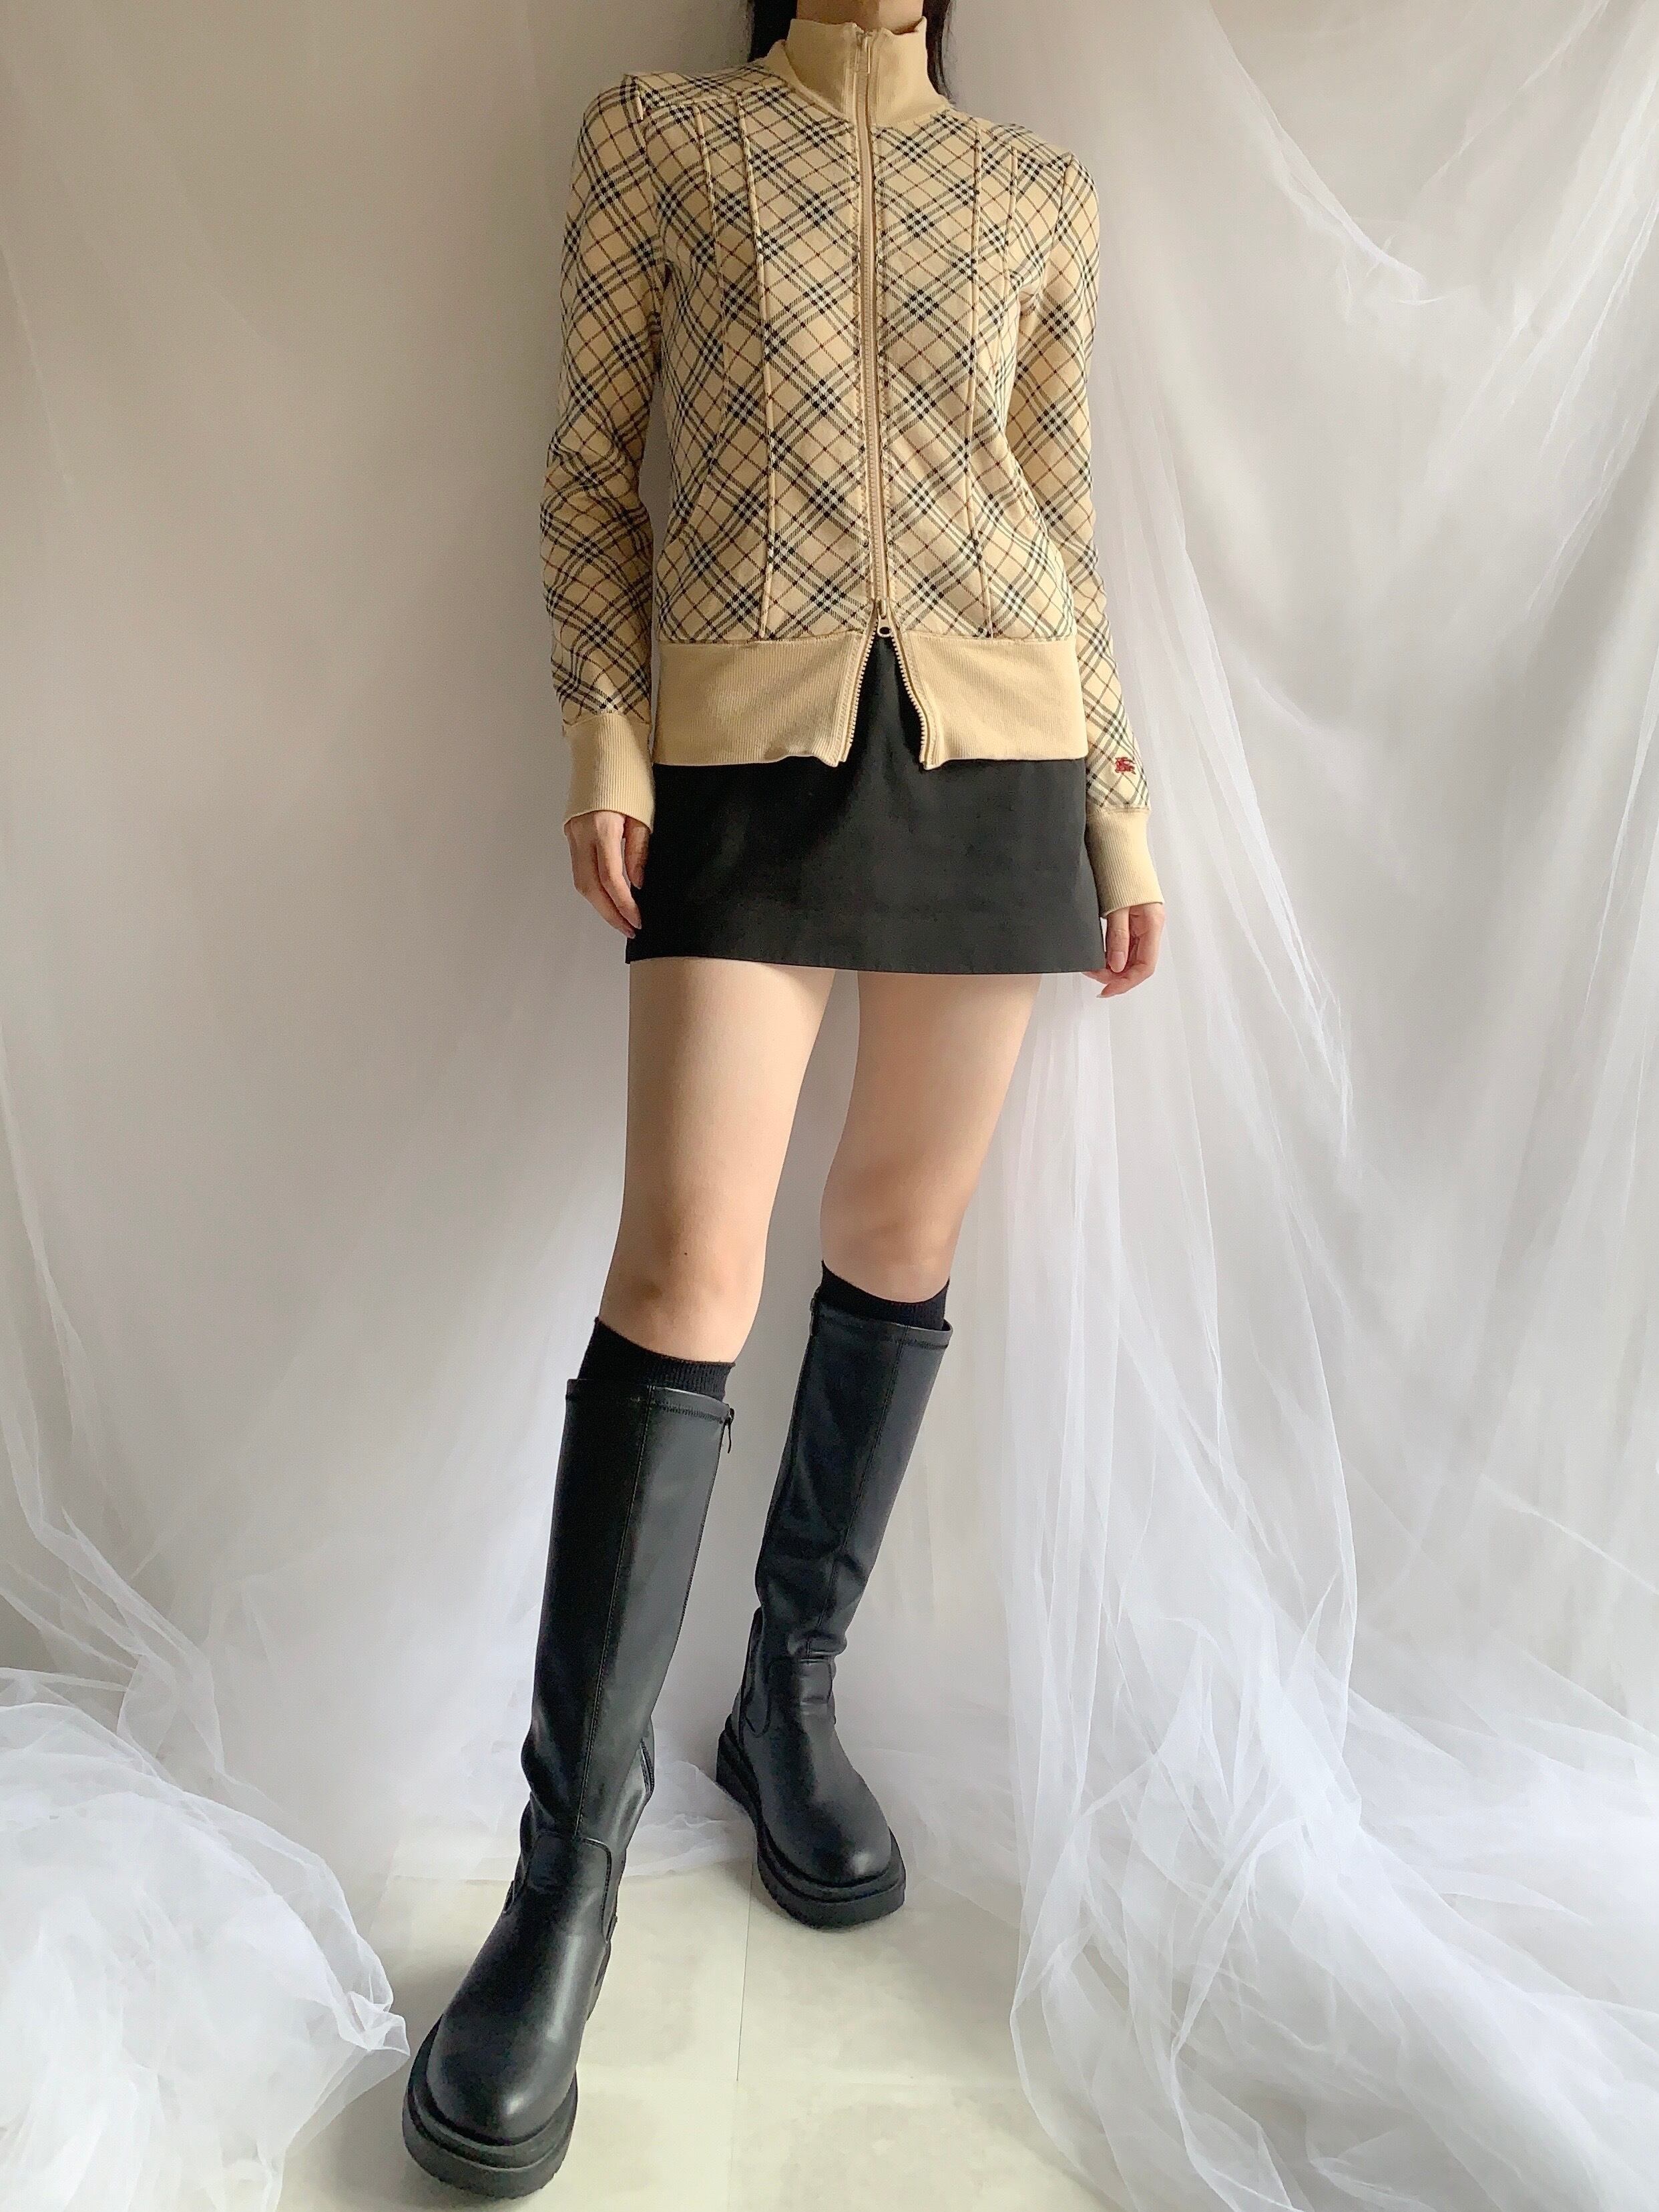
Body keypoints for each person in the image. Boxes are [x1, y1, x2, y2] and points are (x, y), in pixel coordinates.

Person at [402, 0, 1165, 2192]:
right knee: (682, 1267)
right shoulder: (658, 137)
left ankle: (787, 1697)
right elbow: (592, 467)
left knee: (900, 1236)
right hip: (742, 744)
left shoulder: (1038, 194)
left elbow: (1060, 512)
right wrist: (607, 734)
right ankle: (566, 1878)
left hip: (1002, 747)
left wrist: (1119, 809)